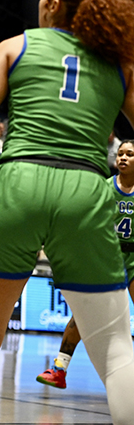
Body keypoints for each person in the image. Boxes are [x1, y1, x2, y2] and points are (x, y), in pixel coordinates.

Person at [0, 0, 134, 425]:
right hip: (84, 189)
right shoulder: (119, 64)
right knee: (117, 349)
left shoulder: (15, 46)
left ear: (51, 5)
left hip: (17, 184)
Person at [36, 140, 134, 390]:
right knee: (84, 314)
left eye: (130, 154)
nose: (122, 158)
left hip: (133, 260)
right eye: (120, 153)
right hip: (106, 259)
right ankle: (58, 369)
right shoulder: (103, 188)